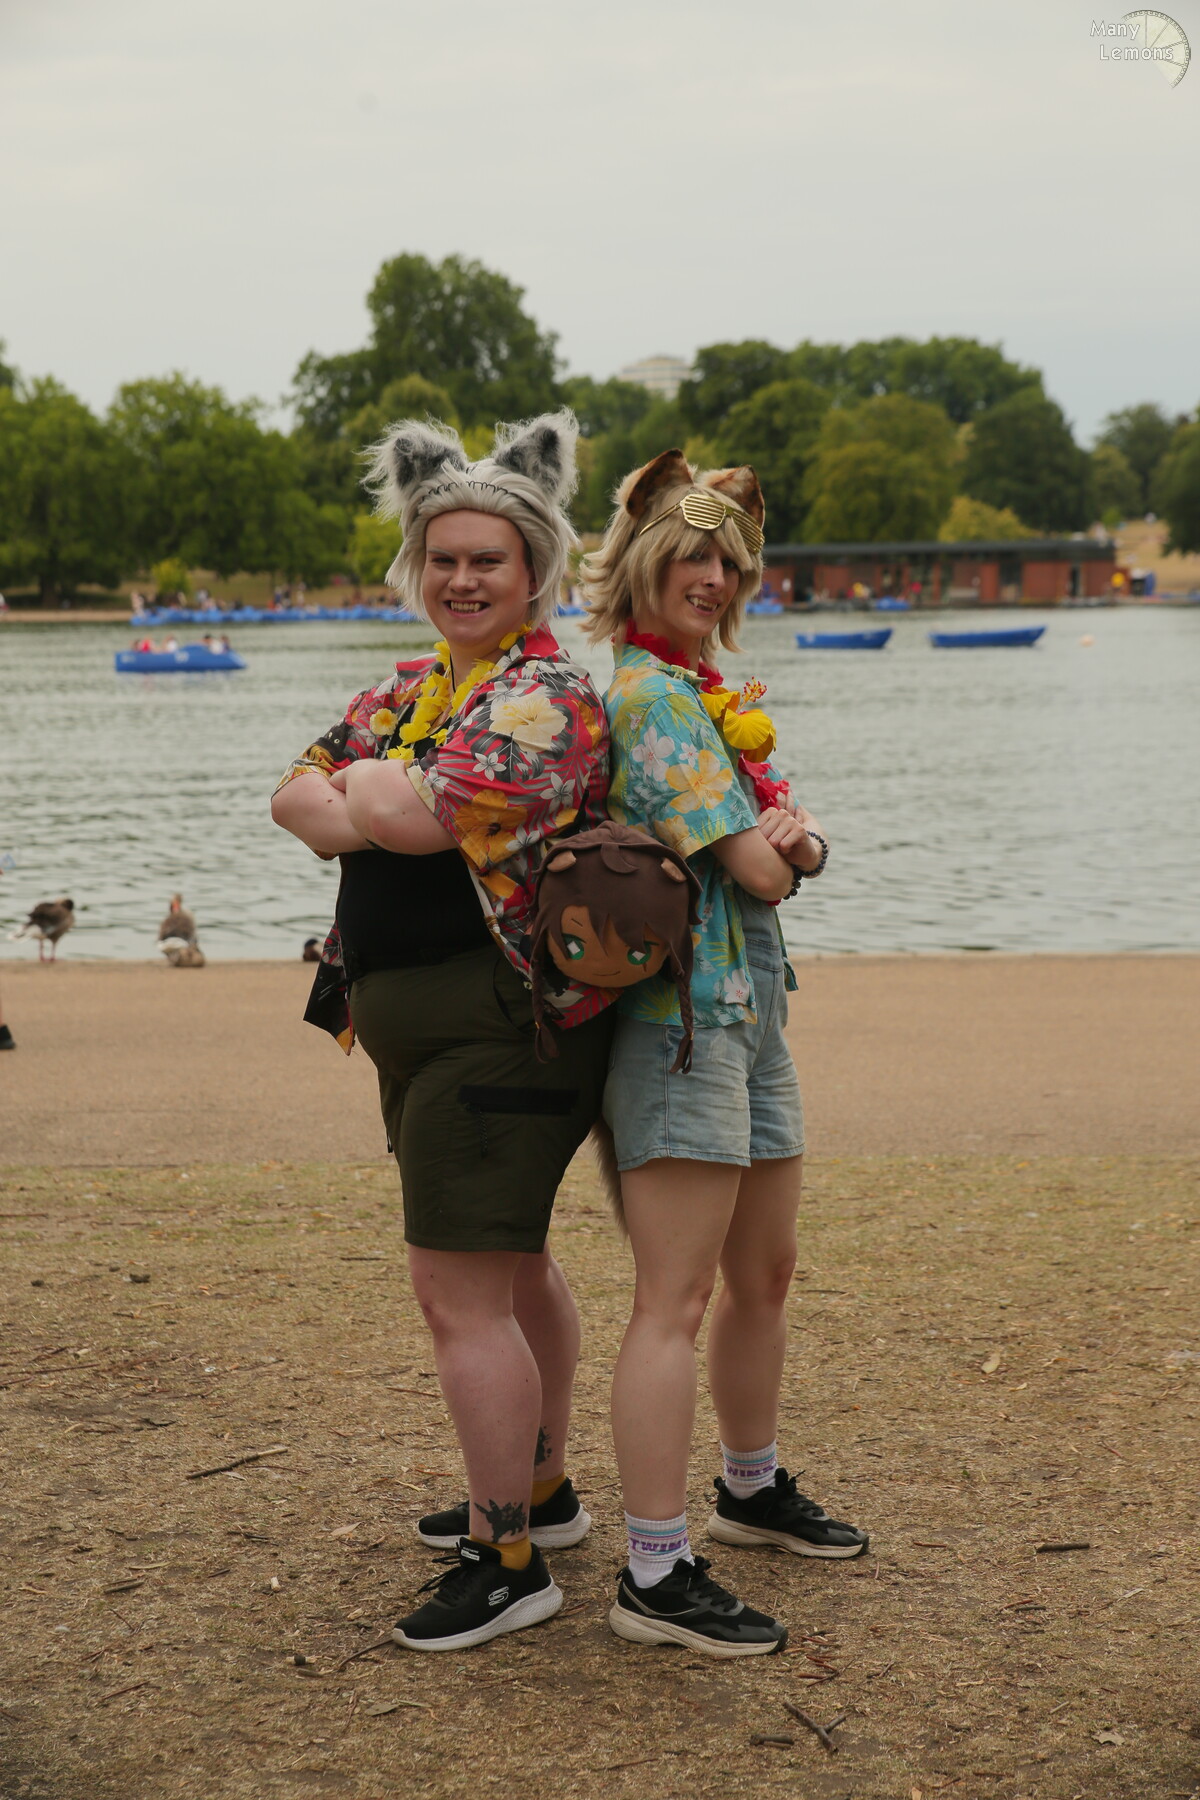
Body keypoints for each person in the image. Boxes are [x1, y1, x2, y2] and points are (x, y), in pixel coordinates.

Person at [271, 412, 616, 1652]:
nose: (462, 579)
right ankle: (539, 1493)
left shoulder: (550, 695)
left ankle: (505, 1558)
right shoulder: (412, 687)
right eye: (444, 558)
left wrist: (373, 792)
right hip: (416, 1028)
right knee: (510, 1267)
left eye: (488, 561)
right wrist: (371, 796)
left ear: (536, 568)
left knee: (457, 1292)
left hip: (502, 1024)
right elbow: (295, 796)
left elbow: (409, 816)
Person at [580, 449, 868, 1658]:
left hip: (750, 1015)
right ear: (644, 560)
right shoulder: (652, 699)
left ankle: (749, 1489)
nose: (713, 577)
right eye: (692, 555)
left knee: (767, 1274)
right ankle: (653, 1570)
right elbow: (762, 864)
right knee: (676, 1300)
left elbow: (791, 849)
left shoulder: (703, 695)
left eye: (730, 561)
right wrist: (788, 848)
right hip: (679, 1028)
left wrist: (793, 847)